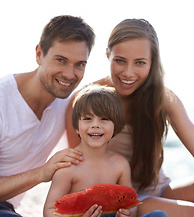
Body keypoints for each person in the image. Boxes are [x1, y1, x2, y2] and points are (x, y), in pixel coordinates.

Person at [66, 19, 194, 217]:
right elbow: (77, 169)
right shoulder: (84, 100)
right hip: (120, 201)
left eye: (140, 63)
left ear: (152, 62)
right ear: (108, 55)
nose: (128, 72)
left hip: (160, 189)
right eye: (120, 60)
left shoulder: (164, 98)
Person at [0, 15, 95, 216]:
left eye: (80, 64)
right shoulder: (2, 100)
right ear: (39, 54)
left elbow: (120, 81)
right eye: (61, 60)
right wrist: (43, 172)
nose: (70, 74)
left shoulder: (69, 102)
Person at [44, 84, 168, 217]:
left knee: (159, 215)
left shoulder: (120, 164)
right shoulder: (68, 167)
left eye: (104, 119)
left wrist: (127, 213)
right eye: (87, 118)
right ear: (76, 126)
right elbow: (49, 211)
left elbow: (131, 203)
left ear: (116, 126)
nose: (96, 125)